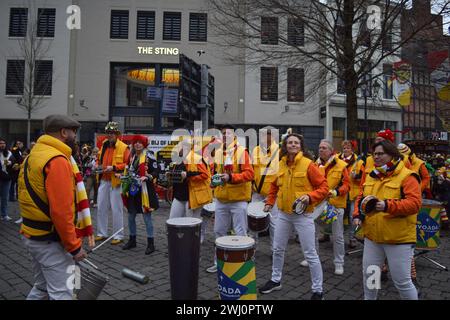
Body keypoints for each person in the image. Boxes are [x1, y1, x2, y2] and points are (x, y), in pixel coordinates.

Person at [18, 115, 94, 300]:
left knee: (42, 288)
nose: (75, 137)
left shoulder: (33, 155)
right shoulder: (58, 160)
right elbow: (61, 212)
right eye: (73, 132)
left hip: (33, 235)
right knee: (63, 293)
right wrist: (75, 248)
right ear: (63, 132)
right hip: (49, 241)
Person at [259, 133, 329, 300]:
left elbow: (324, 187)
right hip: (283, 214)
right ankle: (276, 280)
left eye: (296, 142)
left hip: (303, 215)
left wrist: (310, 197)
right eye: (289, 142)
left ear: (300, 146)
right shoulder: (280, 164)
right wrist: (269, 202)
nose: (292, 145)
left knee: (310, 252)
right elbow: (274, 187)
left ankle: (318, 290)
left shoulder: (308, 165)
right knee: (277, 249)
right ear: (285, 145)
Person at [353, 140, 421, 300]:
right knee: (371, 276)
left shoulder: (408, 176)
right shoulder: (372, 175)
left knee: (402, 282)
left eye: (380, 153)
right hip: (372, 237)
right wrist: (358, 215)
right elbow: (361, 197)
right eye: (374, 154)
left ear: (392, 155)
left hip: (398, 239)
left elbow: (414, 204)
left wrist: (386, 206)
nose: (376, 157)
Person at [206, 125, 254, 273]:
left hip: (238, 200)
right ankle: (219, 262)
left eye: (228, 133)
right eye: (223, 133)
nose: (225, 135)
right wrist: (213, 182)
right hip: (221, 199)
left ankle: (243, 263)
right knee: (219, 231)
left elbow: (249, 174)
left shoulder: (242, 152)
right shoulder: (219, 152)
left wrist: (231, 177)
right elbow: (217, 172)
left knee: (241, 232)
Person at [301, 140, 349, 275]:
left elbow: (346, 185)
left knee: (338, 236)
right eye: (320, 147)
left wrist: (337, 192)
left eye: (324, 148)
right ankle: (310, 258)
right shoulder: (314, 165)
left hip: (335, 204)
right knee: (312, 233)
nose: (321, 150)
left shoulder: (341, 165)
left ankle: (339, 263)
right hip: (317, 204)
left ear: (331, 150)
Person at [122, 135, 159, 255]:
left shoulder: (149, 156)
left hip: (145, 191)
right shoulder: (132, 156)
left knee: (146, 217)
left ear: (144, 144)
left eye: (140, 142)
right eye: (135, 142)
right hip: (133, 190)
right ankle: (132, 240)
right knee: (131, 216)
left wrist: (148, 176)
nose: (137, 144)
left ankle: (151, 244)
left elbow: (157, 171)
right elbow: (128, 170)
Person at [95, 121, 130, 244]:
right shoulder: (104, 145)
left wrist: (114, 168)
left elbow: (127, 164)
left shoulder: (124, 147)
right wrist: (97, 165)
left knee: (117, 209)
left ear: (116, 134)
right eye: (108, 133)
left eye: (112, 133)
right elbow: (99, 160)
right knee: (101, 207)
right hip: (104, 180)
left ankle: (118, 236)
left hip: (116, 182)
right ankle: (101, 233)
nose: (109, 135)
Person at [168, 138, 212, 220]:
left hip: (192, 197)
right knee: (172, 220)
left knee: (191, 223)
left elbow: (205, 174)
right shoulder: (178, 160)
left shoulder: (196, 158)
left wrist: (187, 175)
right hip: (178, 195)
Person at [251, 127, 280, 244]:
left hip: (272, 194)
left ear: (272, 137)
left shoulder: (279, 151)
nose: (262, 138)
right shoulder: (255, 150)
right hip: (256, 193)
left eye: (266, 135)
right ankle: (253, 246)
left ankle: (275, 248)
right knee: (253, 220)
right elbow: (252, 170)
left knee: (274, 222)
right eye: (261, 135)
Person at [338, 140, 364, 248]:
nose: (346, 150)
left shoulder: (359, 161)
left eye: (348, 148)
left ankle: (352, 238)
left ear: (352, 149)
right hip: (341, 191)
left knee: (352, 215)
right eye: (344, 148)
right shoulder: (337, 159)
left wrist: (356, 177)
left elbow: (363, 178)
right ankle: (330, 234)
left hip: (353, 193)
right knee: (338, 215)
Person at [0, 138, 16, 221]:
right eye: (0, 143)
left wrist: (9, 163)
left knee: (5, 197)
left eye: (3, 143)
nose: (2, 145)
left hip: (6, 178)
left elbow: (12, 162)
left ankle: (4, 214)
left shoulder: (9, 153)